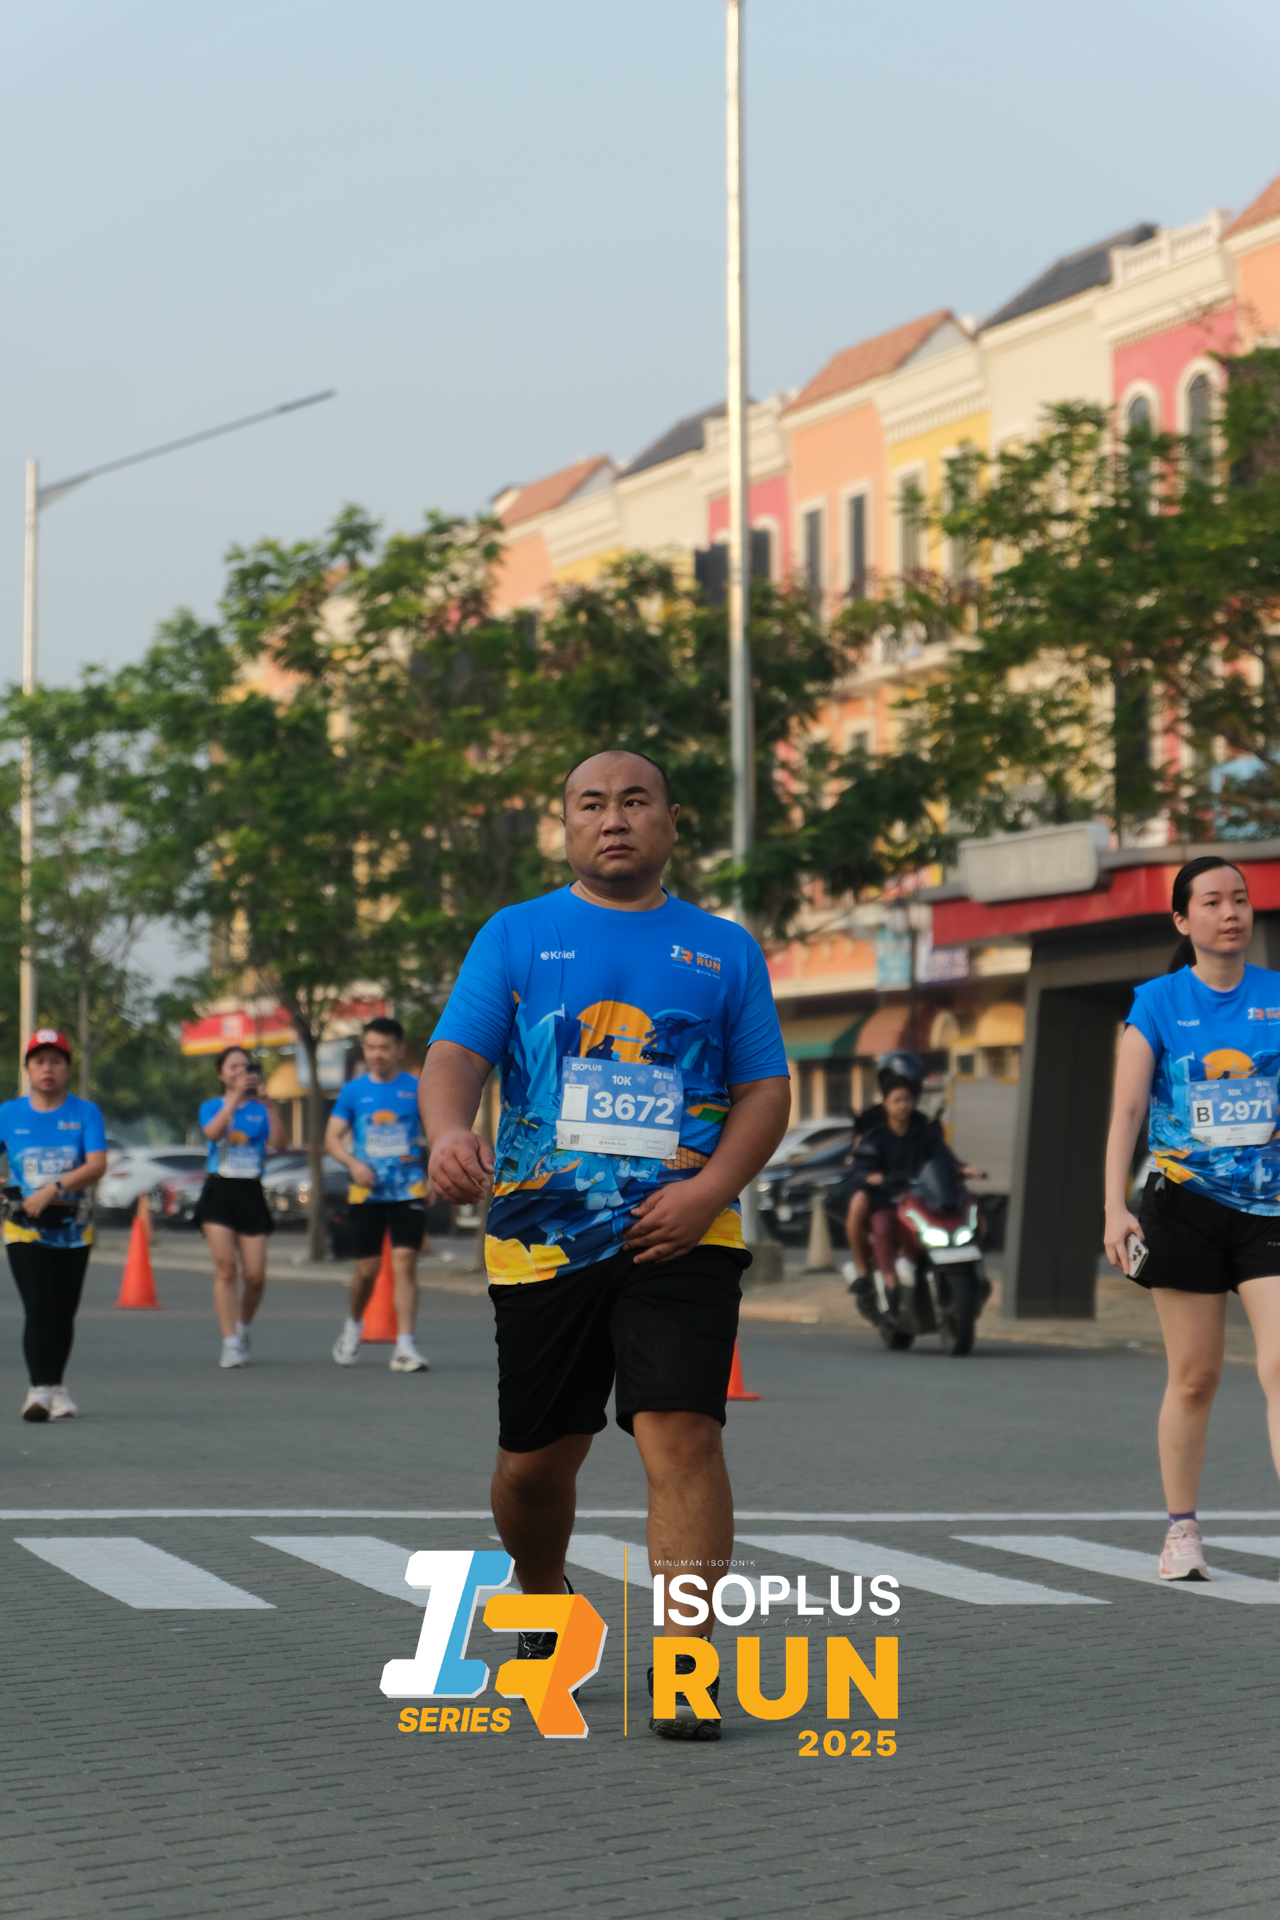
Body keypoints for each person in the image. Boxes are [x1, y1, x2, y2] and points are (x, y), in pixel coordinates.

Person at [422, 748, 792, 1742]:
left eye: (634, 801)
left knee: (682, 1432)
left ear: (670, 820)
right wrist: (449, 1132)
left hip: (684, 1231)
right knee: (535, 1466)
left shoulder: (723, 949)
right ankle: (543, 1594)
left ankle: (685, 1664)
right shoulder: (517, 933)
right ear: (567, 826)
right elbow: (456, 1054)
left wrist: (707, 1191)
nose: (613, 819)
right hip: (542, 1239)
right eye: (591, 804)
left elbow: (764, 1090)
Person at [1104, 856, 1280, 1582]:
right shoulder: (1156, 1002)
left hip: (1270, 1208)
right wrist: (1113, 1206)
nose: (1230, 913)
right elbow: (1127, 1111)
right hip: (1184, 1209)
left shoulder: (1277, 995)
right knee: (1196, 1377)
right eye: (1212, 902)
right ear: (1183, 919)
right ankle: (1182, 1530)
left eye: (1240, 899)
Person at [0, 1029, 108, 1421]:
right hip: (23, 1228)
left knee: (63, 1310)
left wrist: (54, 1188)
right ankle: (38, 1392)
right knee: (39, 1306)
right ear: (27, 1069)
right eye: (39, 1061)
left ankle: (56, 1388)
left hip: (73, 1229)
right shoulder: (8, 1114)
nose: (48, 1069)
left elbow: (96, 1164)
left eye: (56, 1062)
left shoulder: (85, 1113)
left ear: (67, 1069)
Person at [327, 1016, 431, 1373]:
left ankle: (405, 1345)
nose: (376, 1054)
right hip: (366, 1192)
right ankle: (353, 1325)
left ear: (399, 1050)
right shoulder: (353, 1092)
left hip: (408, 1189)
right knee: (367, 1272)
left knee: (405, 1262)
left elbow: (436, 1132)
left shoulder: (417, 1088)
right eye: (370, 1047)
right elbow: (331, 1138)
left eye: (384, 1048)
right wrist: (352, 1163)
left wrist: (433, 1176)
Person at [841, 1052, 978, 1321]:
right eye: (897, 1100)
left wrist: (962, 1168)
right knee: (882, 1227)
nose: (903, 1105)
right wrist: (871, 1177)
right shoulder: (873, 1133)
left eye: (907, 1099)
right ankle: (889, 1287)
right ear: (886, 1103)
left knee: (969, 1204)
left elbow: (942, 1157)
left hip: (920, 1198)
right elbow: (860, 1166)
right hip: (886, 1200)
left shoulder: (924, 1130)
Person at [196, 1046, 288, 1369]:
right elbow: (212, 1133)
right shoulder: (212, 1106)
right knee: (226, 1268)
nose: (240, 1072)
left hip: (251, 1190)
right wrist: (234, 1099)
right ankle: (230, 1343)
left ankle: (242, 1327)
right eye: (232, 1067)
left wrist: (269, 1105)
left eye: (245, 1066)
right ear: (221, 1074)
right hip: (219, 1188)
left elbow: (281, 1144)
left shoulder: (260, 1109)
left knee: (255, 1276)